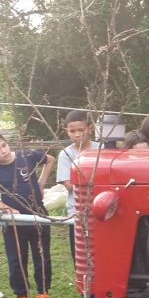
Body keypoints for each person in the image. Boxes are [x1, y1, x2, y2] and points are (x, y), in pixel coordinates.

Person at [0, 133, 55, 298]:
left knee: (42, 255)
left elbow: (50, 159)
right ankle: (21, 297)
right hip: (14, 222)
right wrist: (6, 208)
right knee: (16, 259)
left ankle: (43, 293)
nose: (3, 151)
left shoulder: (27, 155)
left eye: (3, 145)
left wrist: (41, 183)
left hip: (37, 215)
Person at [56, 110, 100, 261]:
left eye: (81, 130)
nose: (77, 135)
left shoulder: (101, 149)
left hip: (99, 209)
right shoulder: (65, 155)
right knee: (80, 255)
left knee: (99, 252)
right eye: (72, 131)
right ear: (66, 131)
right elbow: (69, 185)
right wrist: (93, 182)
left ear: (90, 129)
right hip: (77, 212)